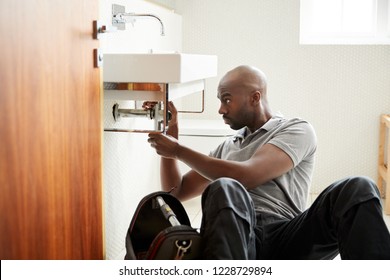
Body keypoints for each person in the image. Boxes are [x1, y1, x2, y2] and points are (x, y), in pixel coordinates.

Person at [147, 65, 390, 259]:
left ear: (255, 97)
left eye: (227, 99)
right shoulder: (227, 147)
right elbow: (175, 193)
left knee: (358, 187)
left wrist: (179, 151)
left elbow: (247, 175)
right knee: (224, 187)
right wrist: (171, 139)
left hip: (289, 236)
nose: (221, 109)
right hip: (238, 237)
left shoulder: (296, 129)